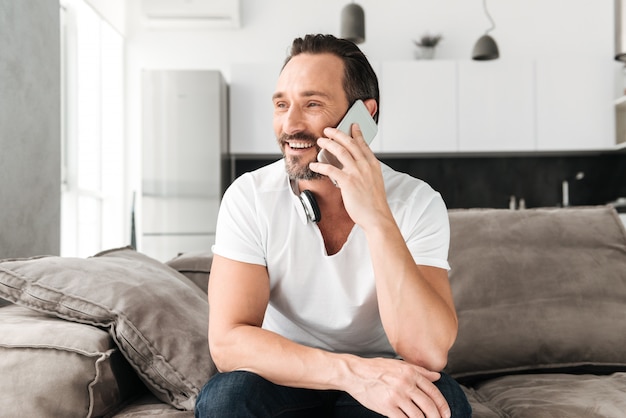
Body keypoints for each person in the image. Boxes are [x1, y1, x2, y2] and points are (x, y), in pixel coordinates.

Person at [195, 34, 472, 418]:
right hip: (287, 373)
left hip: (386, 375)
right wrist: (353, 373)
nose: (289, 125)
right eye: (281, 105)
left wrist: (376, 217)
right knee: (226, 399)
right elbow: (228, 343)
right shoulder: (249, 197)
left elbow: (426, 352)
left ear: (364, 115)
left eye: (311, 104)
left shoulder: (417, 202)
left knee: (440, 404)